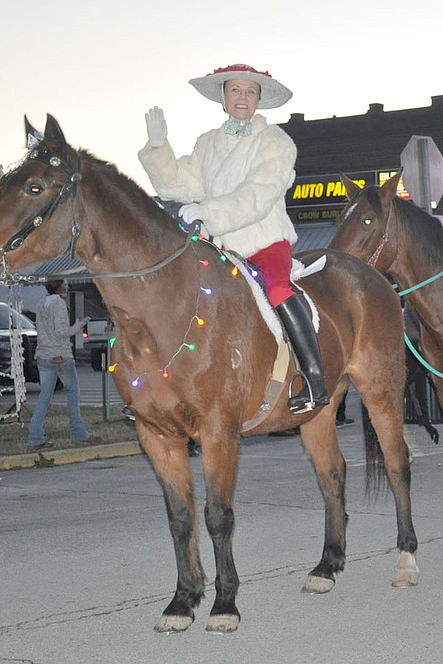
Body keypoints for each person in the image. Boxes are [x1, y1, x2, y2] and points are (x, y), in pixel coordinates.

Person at [138, 63, 329, 413]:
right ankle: (163, 385)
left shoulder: (276, 142)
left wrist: (208, 212)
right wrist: (158, 149)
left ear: (259, 99)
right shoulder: (207, 143)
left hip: (263, 240)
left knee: (277, 289)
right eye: (235, 91)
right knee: (175, 296)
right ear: (224, 98)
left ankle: (314, 379)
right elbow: (179, 184)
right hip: (219, 248)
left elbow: (259, 193)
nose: (242, 97)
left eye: (250, 92)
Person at [28, 280, 93, 448]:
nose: (67, 286)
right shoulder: (58, 303)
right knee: (73, 393)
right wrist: (79, 325)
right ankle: (78, 433)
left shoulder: (42, 303)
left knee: (45, 397)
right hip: (60, 355)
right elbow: (61, 332)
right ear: (58, 286)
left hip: (44, 355)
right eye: (65, 284)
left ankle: (35, 436)